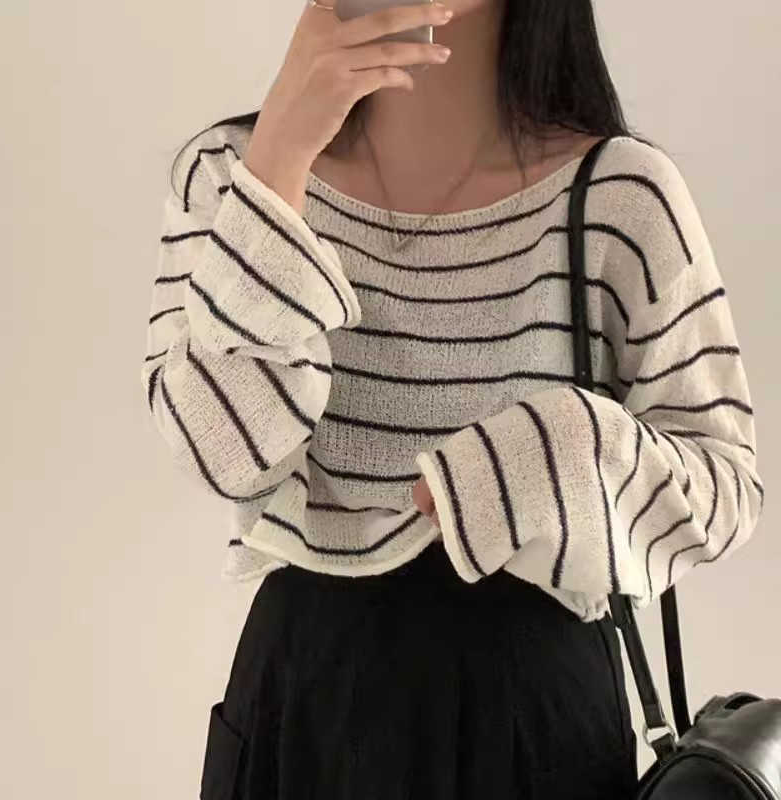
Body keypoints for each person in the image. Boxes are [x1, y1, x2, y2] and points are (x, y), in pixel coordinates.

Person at [139, 1, 765, 797]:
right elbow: (224, 453)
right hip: (303, 714)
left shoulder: (620, 195)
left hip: (536, 725)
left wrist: (559, 449)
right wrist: (282, 157)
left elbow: (726, 489)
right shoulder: (231, 175)